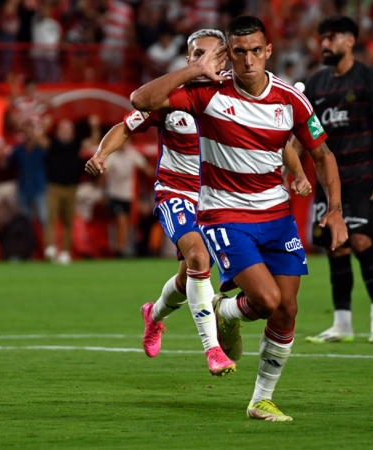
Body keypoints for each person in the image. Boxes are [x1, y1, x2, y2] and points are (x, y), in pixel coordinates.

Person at [130, 16, 347, 421]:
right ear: (229, 53)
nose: (247, 60)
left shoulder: (290, 100)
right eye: (239, 51)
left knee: (287, 311)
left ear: (268, 51)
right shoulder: (207, 92)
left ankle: (259, 398)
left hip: (277, 217)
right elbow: (141, 100)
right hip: (225, 215)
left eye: (255, 51)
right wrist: (195, 68)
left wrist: (334, 210)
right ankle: (224, 311)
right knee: (267, 301)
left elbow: (323, 154)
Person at [87, 29, 313, 378]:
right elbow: (126, 125)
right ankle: (213, 351)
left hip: (219, 199)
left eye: (212, 54)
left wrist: (297, 172)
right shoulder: (173, 97)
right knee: (198, 258)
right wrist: (102, 154)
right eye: (197, 55)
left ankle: (155, 314)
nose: (204, 60)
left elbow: (279, 141)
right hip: (177, 192)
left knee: (187, 278)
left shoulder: (229, 96)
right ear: (189, 59)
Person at [297, 16, 373, 345]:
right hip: (329, 180)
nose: (324, 44)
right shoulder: (314, 84)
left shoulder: (369, 77)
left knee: (362, 240)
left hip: (363, 174)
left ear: (350, 40)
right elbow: (300, 132)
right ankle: (342, 324)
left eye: (332, 38)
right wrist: (292, 168)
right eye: (322, 38)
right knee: (335, 247)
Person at [44, 116, 101, 265]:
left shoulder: (76, 144)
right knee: (51, 218)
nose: (66, 132)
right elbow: (39, 139)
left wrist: (95, 127)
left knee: (68, 221)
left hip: (71, 187)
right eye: (63, 129)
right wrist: (44, 125)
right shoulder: (53, 144)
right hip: (54, 186)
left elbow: (94, 141)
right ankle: (50, 247)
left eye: (68, 129)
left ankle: (64, 252)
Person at [0, 120, 48, 227]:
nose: (29, 134)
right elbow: (4, 165)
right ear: (23, 134)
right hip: (23, 190)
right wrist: (1, 154)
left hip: (39, 189)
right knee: (25, 222)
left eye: (31, 131)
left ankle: (49, 243)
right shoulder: (18, 149)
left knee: (44, 219)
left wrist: (41, 134)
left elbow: (53, 154)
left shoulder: (41, 149)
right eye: (26, 132)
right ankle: (28, 243)